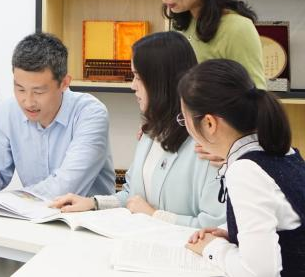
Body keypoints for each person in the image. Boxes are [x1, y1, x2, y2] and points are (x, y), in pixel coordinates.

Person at [183, 59, 305, 276]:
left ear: (209, 123)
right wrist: (232, 232)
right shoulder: (280, 152)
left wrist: (212, 248)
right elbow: (289, 222)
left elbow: (258, 273)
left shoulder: (245, 170)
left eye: (184, 119)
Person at [51, 32, 225, 228]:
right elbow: (132, 197)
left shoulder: (206, 148)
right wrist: (93, 203)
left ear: (160, 82)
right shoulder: (150, 134)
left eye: (138, 77)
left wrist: (154, 215)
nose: (132, 86)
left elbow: (215, 226)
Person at [0, 32, 115, 199]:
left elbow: (66, 187)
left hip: (87, 214)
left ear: (64, 83)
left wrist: (14, 199)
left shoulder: (90, 113)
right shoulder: (7, 112)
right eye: (20, 89)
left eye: (38, 92)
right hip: (32, 213)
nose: (28, 102)